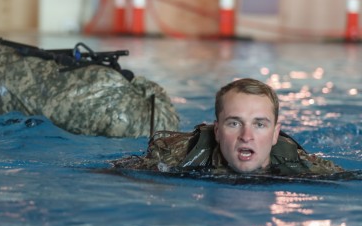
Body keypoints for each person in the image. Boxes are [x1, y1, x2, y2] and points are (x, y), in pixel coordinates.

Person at [113, 78, 343, 176]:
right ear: (217, 131)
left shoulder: (301, 165)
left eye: (260, 124)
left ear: (275, 134)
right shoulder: (178, 158)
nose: (246, 136)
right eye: (234, 123)